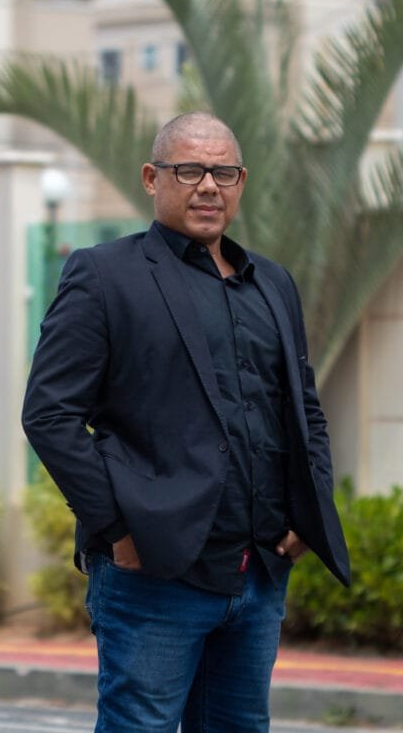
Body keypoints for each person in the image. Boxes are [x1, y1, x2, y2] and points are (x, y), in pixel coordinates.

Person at [22, 112, 350, 733]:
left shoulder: (272, 283)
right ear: (153, 178)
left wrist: (311, 509)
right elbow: (49, 414)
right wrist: (117, 531)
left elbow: (303, 408)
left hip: (257, 576)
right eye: (189, 170)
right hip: (153, 576)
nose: (207, 186)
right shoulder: (105, 275)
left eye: (223, 173)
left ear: (241, 182)